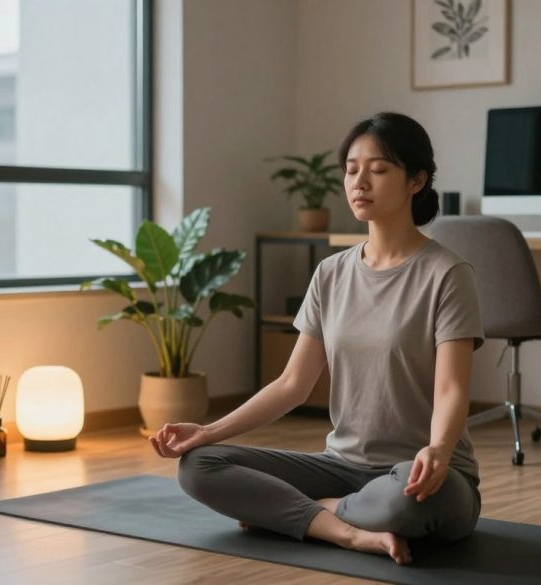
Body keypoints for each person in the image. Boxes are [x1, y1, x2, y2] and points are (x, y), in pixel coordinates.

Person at [149, 112, 485, 566]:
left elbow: (452, 389)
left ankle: (307, 513)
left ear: (416, 181)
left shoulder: (447, 274)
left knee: (409, 500)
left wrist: (439, 451)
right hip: (341, 468)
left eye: (379, 169)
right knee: (199, 467)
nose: (359, 182)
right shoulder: (331, 274)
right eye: (350, 170)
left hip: (421, 474)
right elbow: (292, 385)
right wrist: (207, 431)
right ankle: (344, 531)